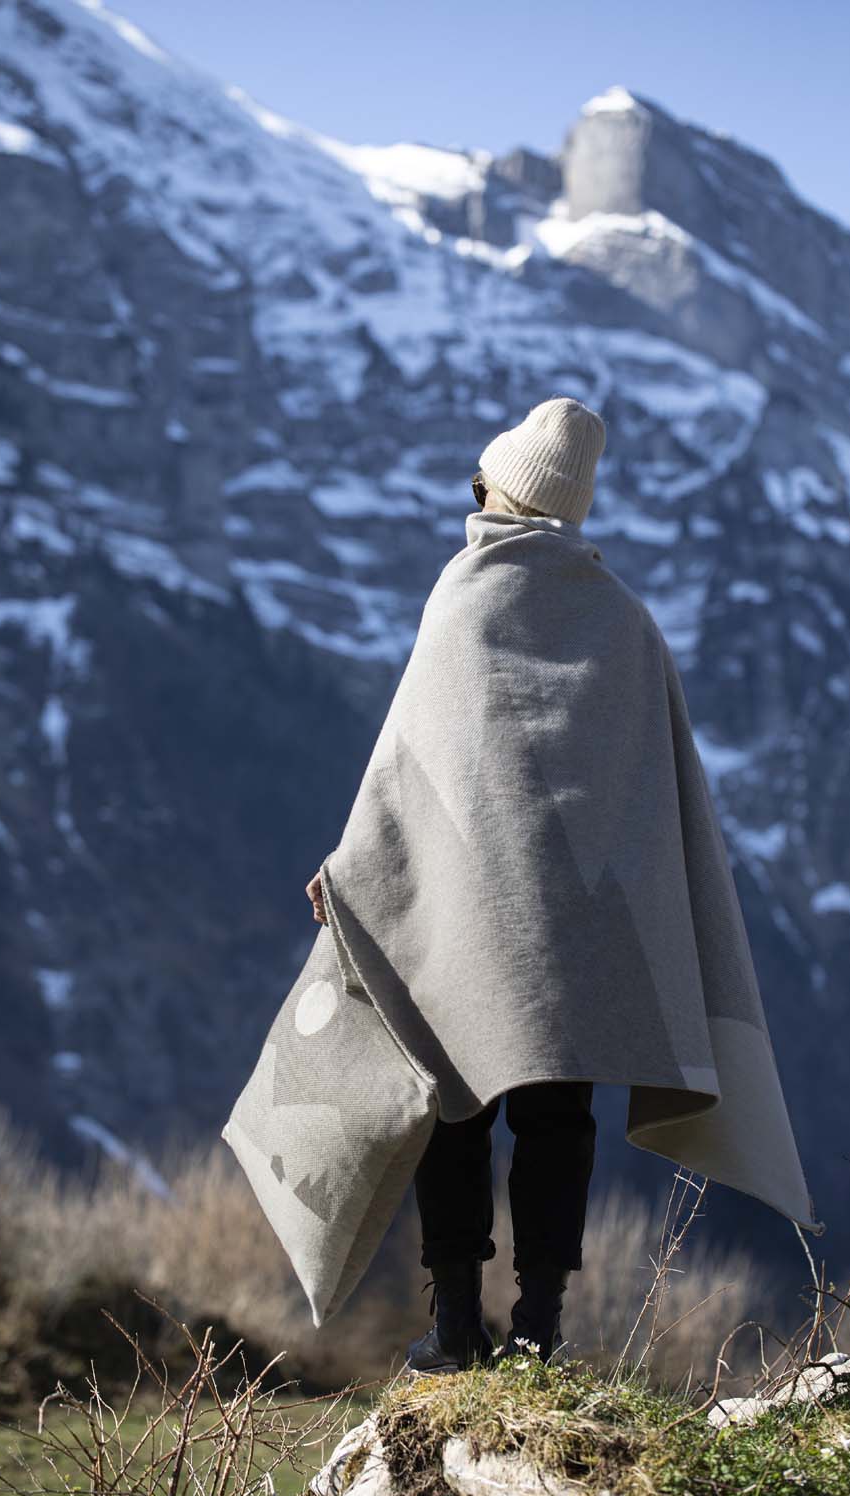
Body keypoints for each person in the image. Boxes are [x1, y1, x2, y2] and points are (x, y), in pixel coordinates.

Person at [305, 398, 606, 1371]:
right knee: (559, 1118)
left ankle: (453, 1328)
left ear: (500, 490)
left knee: (452, 1102)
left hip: (465, 911)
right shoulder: (622, 618)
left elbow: (408, 761)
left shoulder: (466, 593)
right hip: (577, 917)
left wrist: (356, 870)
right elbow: (648, 789)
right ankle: (541, 1328)